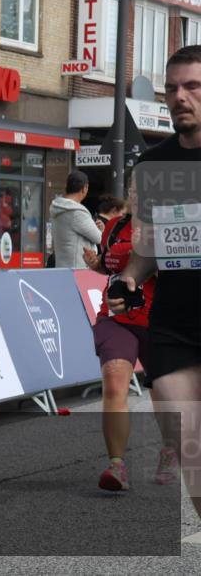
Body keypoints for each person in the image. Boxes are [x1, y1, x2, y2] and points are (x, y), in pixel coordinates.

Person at [108, 44, 201, 518]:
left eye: (193, 86)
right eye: (172, 88)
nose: (179, 97)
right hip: (174, 328)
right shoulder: (154, 166)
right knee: (193, 453)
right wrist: (128, 277)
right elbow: (149, 245)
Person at [83, 182, 174, 491]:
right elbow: (110, 267)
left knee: (163, 395)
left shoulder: (169, 229)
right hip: (116, 318)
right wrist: (98, 265)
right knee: (114, 383)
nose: (137, 194)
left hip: (159, 322)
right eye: (134, 188)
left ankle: (169, 450)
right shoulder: (113, 227)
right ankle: (116, 466)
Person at [48, 170, 102, 269]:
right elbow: (99, 238)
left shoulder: (57, 208)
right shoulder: (77, 212)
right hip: (78, 269)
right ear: (85, 188)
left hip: (61, 267)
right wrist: (101, 229)